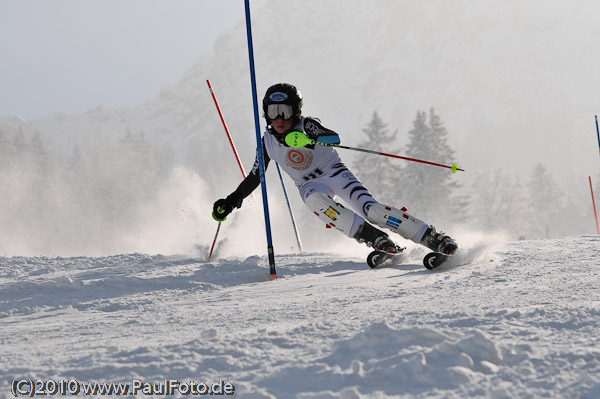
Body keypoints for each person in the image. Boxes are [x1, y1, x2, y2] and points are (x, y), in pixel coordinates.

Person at [212, 83, 458, 256]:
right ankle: (373, 238)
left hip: (335, 173)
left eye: (285, 111)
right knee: (316, 202)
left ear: (296, 110)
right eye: (272, 112)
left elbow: (333, 137)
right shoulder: (266, 142)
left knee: (372, 210)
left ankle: (432, 237)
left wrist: (308, 138)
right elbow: (256, 177)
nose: (279, 119)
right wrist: (231, 201)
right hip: (309, 185)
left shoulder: (306, 124)